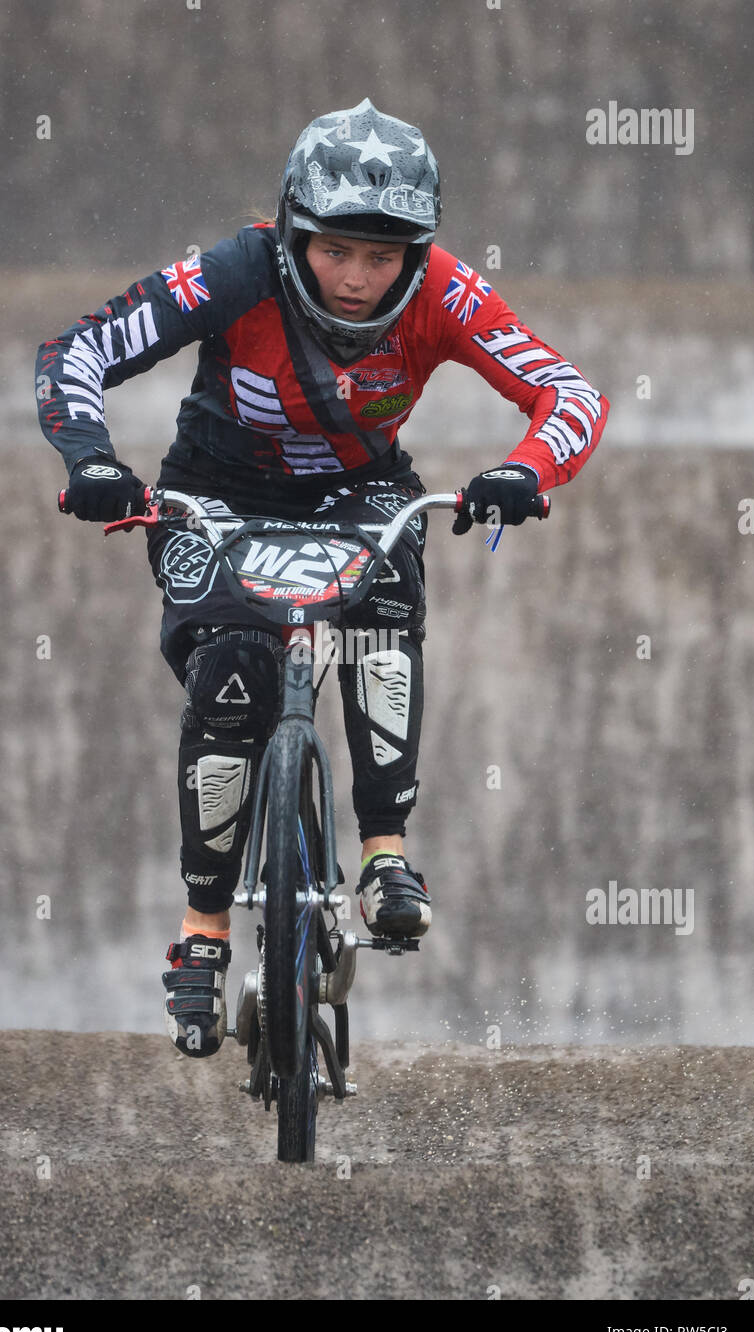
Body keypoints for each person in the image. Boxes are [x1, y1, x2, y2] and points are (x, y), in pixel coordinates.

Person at [36, 97, 609, 1059]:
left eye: (384, 257)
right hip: (215, 491)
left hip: (362, 495)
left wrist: (522, 473)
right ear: (295, 230)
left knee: (384, 622)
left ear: (418, 251)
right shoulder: (237, 268)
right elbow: (77, 350)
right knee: (233, 683)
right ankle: (203, 930)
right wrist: (92, 462)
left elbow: (573, 391)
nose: (356, 278)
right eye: (335, 250)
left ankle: (386, 853)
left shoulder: (447, 294)